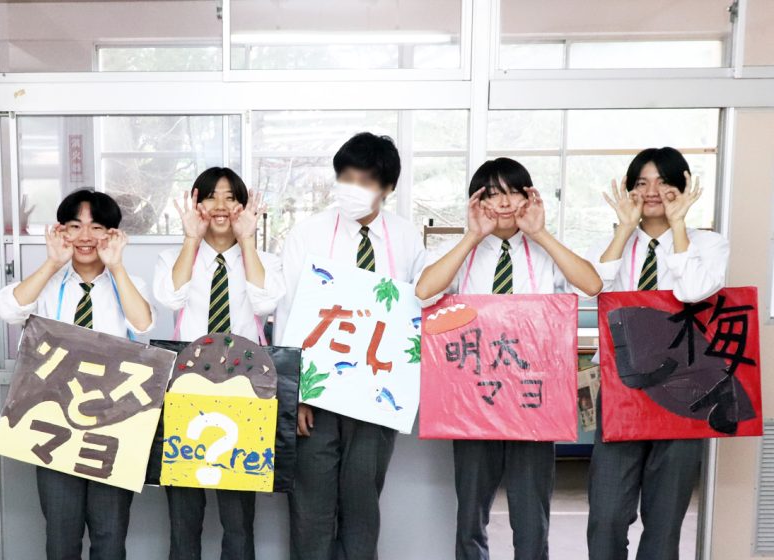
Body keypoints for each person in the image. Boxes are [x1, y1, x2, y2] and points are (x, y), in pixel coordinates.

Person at [415, 157, 602, 560]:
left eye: (514, 192)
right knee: (471, 514)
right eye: (493, 193)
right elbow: (425, 291)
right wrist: (471, 237)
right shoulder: (461, 251)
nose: (503, 202)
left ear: (529, 198)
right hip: (473, 401)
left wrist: (541, 233)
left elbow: (591, 285)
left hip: (533, 400)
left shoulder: (544, 250)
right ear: (476, 201)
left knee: (531, 516)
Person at [274, 132, 426, 560]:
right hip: (317, 393)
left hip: (376, 394)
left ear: (388, 187)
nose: (353, 188)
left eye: (366, 180)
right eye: (347, 178)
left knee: (362, 503)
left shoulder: (406, 237)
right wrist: (296, 392)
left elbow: (422, 304)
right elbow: (288, 311)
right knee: (311, 506)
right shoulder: (308, 233)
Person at [0, 188, 154, 560]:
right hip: (54, 424)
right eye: (74, 226)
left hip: (114, 425)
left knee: (110, 536)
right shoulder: (47, 283)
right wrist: (52, 263)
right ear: (60, 231)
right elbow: (9, 309)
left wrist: (117, 267)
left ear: (113, 234)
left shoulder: (128, 282)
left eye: (97, 227)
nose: (85, 236)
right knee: (61, 536)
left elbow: (143, 325)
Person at [586, 147, 728, 560]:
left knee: (665, 519)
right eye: (642, 182)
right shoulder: (611, 243)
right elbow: (592, 287)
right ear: (629, 190)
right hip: (622, 388)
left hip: (687, 389)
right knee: (607, 514)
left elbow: (694, 292)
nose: (652, 191)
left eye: (664, 182)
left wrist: (679, 227)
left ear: (684, 187)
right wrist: (623, 231)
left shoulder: (709, 243)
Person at [153, 167, 285, 560]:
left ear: (244, 206)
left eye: (230, 197)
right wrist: (191, 240)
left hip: (245, 391)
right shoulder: (174, 257)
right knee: (184, 514)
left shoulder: (265, 260)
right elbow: (170, 298)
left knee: (238, 517)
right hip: (186, 389)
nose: (220, 206)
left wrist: (248, 241)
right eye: (210, 196)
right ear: (196, 204)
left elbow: (265, 303)